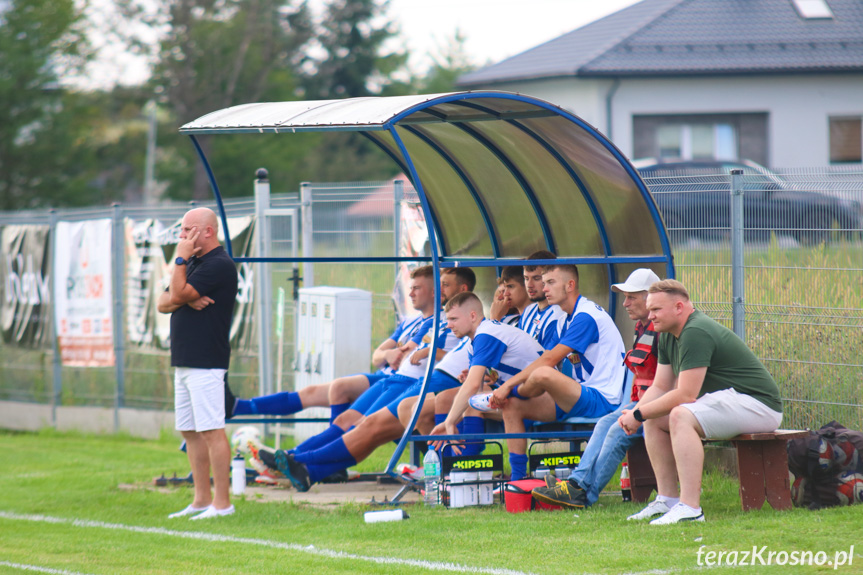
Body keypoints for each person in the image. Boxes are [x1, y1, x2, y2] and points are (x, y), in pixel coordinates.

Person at [618, 280, 782, 525]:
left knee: (680, 414)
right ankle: (668, 499)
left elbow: (685, 395)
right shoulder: (666, 333)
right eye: (650, 310)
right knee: (655, 417)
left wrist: (638, 415)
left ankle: (690, 508)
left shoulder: (695, 332)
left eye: (656, 310)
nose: (650, 316)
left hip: (759, 406)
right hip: (730, 401)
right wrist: (638, 412)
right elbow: (661, 387)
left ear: (679, 307)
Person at [229, 266, 474, 424]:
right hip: (386, 375)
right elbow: (378, 355)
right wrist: (388, 354)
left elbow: (419, 353)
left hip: (400, 380)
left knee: (343, 395)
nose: (410, 294)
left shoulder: (440, 322)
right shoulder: (410, 321)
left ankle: (324, 458)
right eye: (410, 289)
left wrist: (404, 352)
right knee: (319, 391)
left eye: (416, 289)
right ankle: (241, 407)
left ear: (432, 292)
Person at [531, 268, 661, 508]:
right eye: (624, 297)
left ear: (650, 298)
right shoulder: (642, 327)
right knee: (606, 423)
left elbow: (663, 383)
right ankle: (576, 485)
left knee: (616, 430)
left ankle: (583, 495)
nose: (625, 303)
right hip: (639, 402)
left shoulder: (661, 329)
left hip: (658, 404)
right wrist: (627, 408)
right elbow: (638, 375)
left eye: (631, 297)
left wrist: (635, 412)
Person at [487, 264, 627, 480]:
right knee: (511, 406)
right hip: (577, 394)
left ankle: (511, 392)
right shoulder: (565, 317)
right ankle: (517, 480)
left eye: (550, 283)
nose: (545, 289)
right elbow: (539, 357)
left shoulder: (585, 315)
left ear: (570, 285)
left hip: (602, 398)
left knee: (544, 374)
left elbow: (549, 361)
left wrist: (507, 386)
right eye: (544, 284)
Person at [157, 208, 238, 520]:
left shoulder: (218, 264)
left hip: (206, 360)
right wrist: (187, 297)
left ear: (207, 231)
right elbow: (163, 302)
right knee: (189, 431)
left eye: (188, 230)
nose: (182, 236)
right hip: (185, 360)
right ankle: (201, 499)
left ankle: (223, 503)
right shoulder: (192, 263)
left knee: (212, 430)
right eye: (181, 231)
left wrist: (179, 266)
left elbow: (174, 292)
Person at [429, 293, 545, 453]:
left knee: (472, 404)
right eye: (447, 320)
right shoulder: (474, 341)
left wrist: (450, 421)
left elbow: (473, 384)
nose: (448, 325)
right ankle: (452, 469)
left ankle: (468, 469)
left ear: (472, 316)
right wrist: (450, 420)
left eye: (453, 319)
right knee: (469, 401)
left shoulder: (487, 334)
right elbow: (475, 387)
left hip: (545, 397)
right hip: (520, 395)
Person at [518, 251, 566, 349]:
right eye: (526, 278)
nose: (529, 285)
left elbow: (547, 359)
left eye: (536, 278)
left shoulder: (559, 315)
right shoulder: (528, 311)